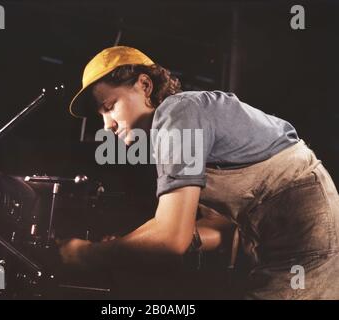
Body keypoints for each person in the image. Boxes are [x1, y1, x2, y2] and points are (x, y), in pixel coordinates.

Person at [59, 46, 339, 299]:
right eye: (101, 115)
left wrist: (89, 254)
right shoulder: (174, 132)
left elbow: (171, 239)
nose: (106, 125)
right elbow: (218, 227)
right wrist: (129, 245)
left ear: (144, 85)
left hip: (303, 231)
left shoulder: (178, 112)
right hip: (284, 236)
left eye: (110, 106)